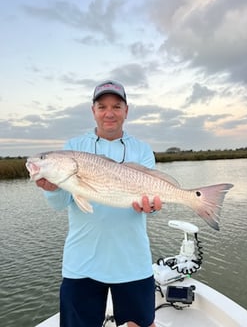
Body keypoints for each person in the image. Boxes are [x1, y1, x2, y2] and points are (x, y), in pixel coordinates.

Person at [36, 80, 162, 327]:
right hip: (82, 261)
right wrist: (52, 189)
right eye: (102, 106)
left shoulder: (142, 149)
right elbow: (60, 203)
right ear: (93, 110)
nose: (109, 113)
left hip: (132, 260)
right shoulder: (73, 148)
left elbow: (153, 206)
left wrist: (154, 206)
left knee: (142, 324)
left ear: (126, 111)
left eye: (116, 106)